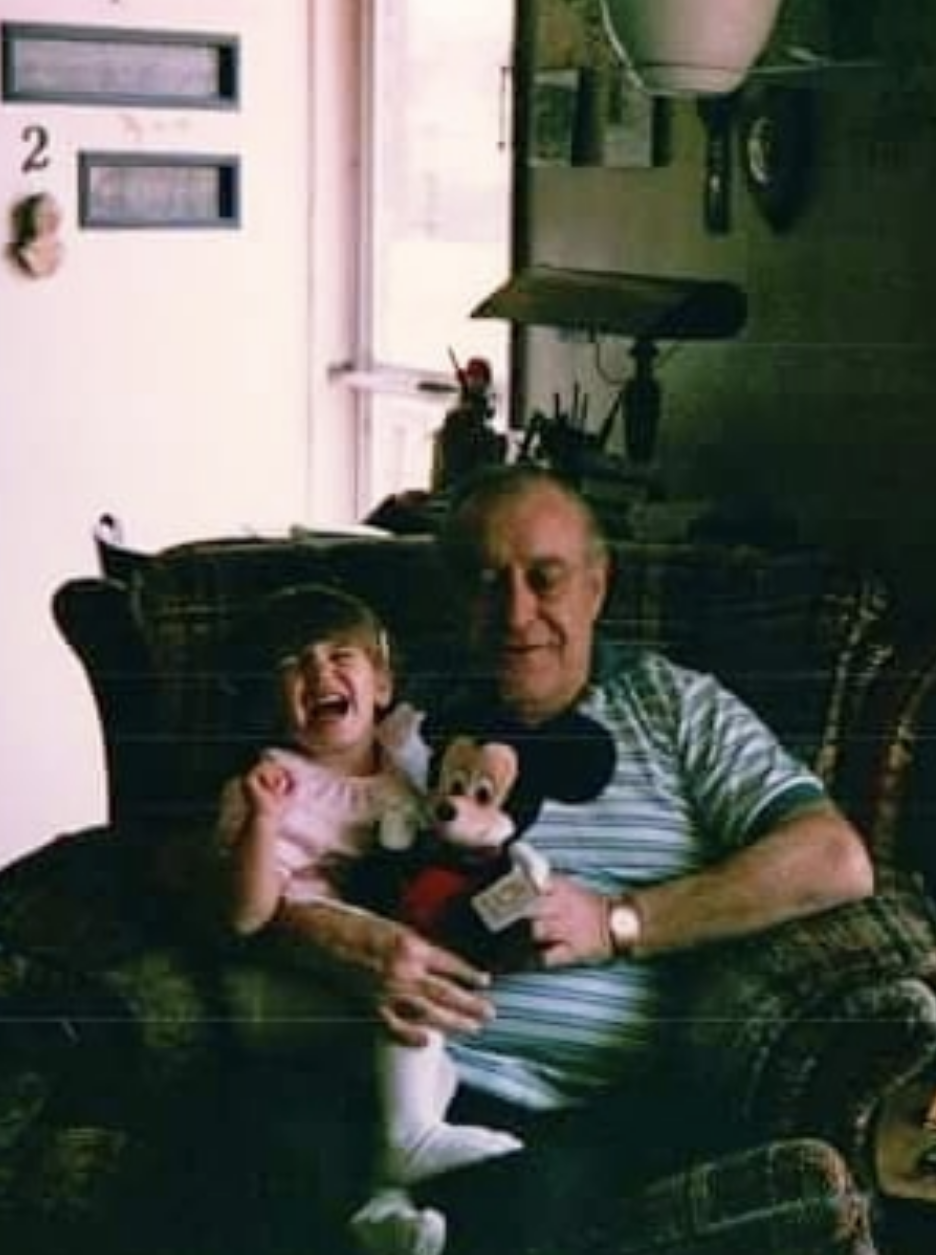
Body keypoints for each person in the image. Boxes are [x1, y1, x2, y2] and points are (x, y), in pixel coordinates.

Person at [265, 467, 876, 1255]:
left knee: (509, 1218)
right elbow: (204, 850)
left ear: (597, 583)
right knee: (267, 1165)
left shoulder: (676, 708)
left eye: (544, 579)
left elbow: (834, 858)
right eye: (487, 583)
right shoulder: (396, 718)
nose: (516, 614)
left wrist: (621, 921)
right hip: (379, 1074)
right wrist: (322, 937)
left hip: (570, 1106)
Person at [193, 584, 525, 1254]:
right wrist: (263, 823)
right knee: (417, 1004)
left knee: (429, 1057)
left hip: (355, 990)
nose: (319, 671)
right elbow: (246, 916)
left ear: (383, 685)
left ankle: (384, 1202)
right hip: (277, 988)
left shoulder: (406, 766)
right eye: (294, 664)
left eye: (340, 655)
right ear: (273, 703)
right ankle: (411, 1141)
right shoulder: (271, 783)